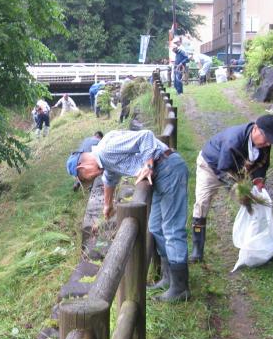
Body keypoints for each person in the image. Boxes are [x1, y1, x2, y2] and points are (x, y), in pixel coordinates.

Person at [68, 129, 191, 302]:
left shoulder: (106, 149)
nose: (93, 177)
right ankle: (168, 277)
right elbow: (109, 180)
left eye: (86, 177)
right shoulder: (105, 161)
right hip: (160, 176)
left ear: (83, 167)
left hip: (168, 169)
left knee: (172, 229)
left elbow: (146, 136)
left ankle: (180, 288)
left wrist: (148, 165)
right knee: (155, 227)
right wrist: (107, 205)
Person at [190, 114, 273, 263]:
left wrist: (258, 181)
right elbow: (223, 170)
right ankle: (197, 250)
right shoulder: (233, 141)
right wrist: (238, 190)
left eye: (271, 141)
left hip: (239, 169)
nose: (267, 144)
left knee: (256, 204)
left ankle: (259, 246)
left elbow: (262, 165)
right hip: (211, 166)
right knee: (202, 203)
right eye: (266, 139)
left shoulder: (264, 143)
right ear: (256, 129)